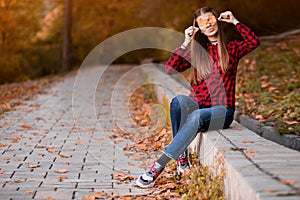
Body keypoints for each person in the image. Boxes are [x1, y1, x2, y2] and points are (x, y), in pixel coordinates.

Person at [136, 7, 260, 188]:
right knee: (178, 101)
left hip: (222, 111)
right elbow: (170, 69)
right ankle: (182, 158)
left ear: (216, 20)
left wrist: (235, 21)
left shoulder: (231, 49)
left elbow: (253, 42)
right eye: (202, 22)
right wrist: (186, 41)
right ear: (198, 28)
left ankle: (157, 166)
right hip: (197, 104)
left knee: (196, 116)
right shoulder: (198, 52)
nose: (208, 24)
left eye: (209, 19)